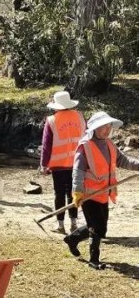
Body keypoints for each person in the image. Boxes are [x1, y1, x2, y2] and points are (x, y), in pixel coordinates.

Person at [64, 112, 139, 270]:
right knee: (97, 226)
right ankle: (94, 259)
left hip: (104, 193)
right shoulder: (85, 147)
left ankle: (72, 239)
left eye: (108, 127)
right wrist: (77, 192)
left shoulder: (109, 144)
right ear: (94, 128)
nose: (106, 130)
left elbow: (124, 161)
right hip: (88, 194)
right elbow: (77, 172)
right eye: (103, 127)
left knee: (100, 226)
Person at [40, 91, 86, 234]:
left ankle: (60, 225)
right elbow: (87, 137)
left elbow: (46, 145)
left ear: (56, 106)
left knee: (59, 193)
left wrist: (44, 165)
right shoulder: (80, 117)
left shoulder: (52, 120)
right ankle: (73, 223)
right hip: (78, 162)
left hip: (58, 164)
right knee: (73, 193)